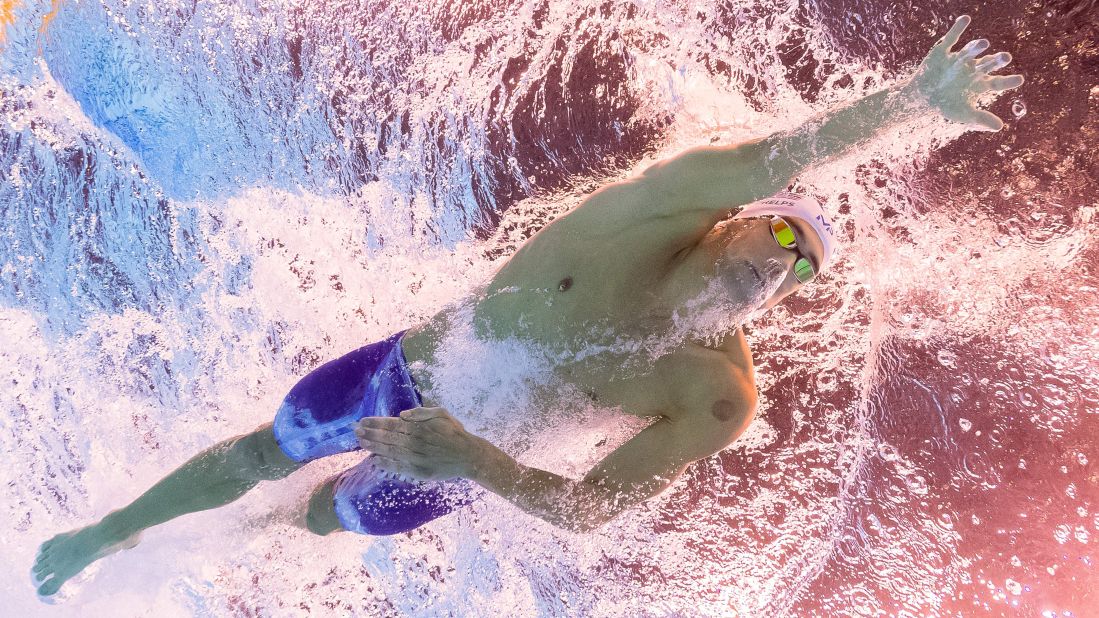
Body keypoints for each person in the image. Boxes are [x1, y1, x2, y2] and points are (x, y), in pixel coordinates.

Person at [32, 15, 1021, 598]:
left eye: (804, 269)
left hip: (461, 460)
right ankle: (101, 532)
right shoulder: (662, 209)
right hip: (402, 373)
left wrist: (472, 460)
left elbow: (591, 508)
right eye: (783, 236)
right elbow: (789, 154)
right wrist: (913, 105)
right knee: (262, 449)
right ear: (738, 221)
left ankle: (224, 539)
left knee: (320, 522)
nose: (786, 265)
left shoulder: (716, 392)